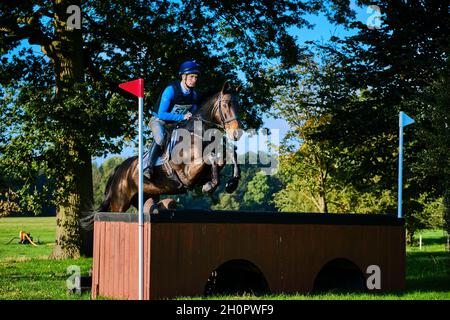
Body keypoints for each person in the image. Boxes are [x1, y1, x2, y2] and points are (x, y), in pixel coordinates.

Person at [143, 60, 201, 180]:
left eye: (196, 77)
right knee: (160, 138)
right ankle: (148, 167)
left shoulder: (193, 95)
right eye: (191, 77)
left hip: (177, 124)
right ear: (183, 77)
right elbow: (162, 114)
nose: (194, 80)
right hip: (159, 121)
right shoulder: (171, 90)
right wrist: (182, 117)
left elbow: (194, 109)